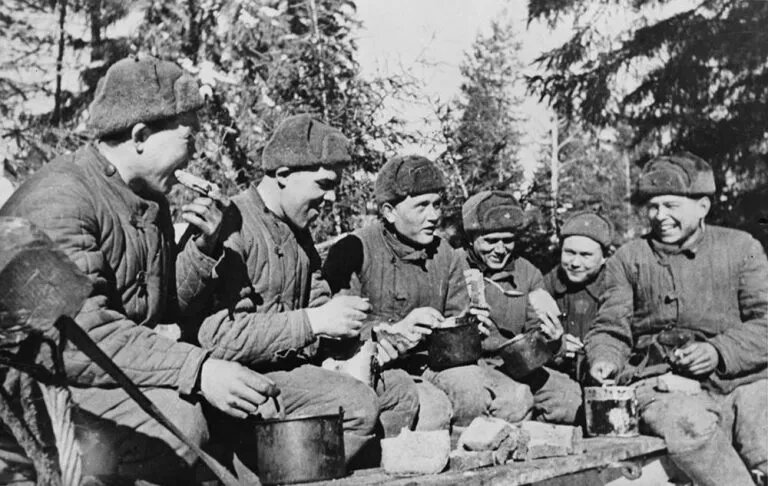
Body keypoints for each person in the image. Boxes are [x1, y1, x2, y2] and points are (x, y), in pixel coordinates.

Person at [0, 57, 278, 484]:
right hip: (31, 388)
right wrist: (199, 370)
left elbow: (163, 308)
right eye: (189, 137)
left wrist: (202, 248)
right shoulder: (62, 198)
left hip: (95, 372)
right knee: (182, 421)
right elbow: (78, 335)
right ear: (141, 136)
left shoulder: (150, 202)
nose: (196, 152)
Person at [178, 114, 417, 464]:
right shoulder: (228, 227)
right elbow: (220, 339)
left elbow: (320, 304)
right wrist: (314, 323)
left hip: (293, 373)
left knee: (400, 392)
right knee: (357, 405)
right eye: (323, 184)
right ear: (283, 175)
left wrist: (367, 338)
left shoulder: (299, 235)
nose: (331, 197)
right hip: (242, 383)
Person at [586, 152, 768, 486]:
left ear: (702, 207)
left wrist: (718, 352)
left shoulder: (742, 248)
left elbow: (765, 322)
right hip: (660, 385)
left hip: (740, 381)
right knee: (688, 423)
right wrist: (604, 358)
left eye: (671, 205)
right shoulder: (629, 258)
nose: (660, 216)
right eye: (653, 206)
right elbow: (611, 327)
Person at [323, 156, 526, 429]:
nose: (434, 216)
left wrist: (469, 329)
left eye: (437, 204)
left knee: (492, 396)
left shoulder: (444, 254)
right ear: (389, 212)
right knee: (432, 412)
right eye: (421, 206)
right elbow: (336, 331)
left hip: (432, 363)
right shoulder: (354, 250)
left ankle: (467, 446)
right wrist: (390, 331)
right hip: (377, 367)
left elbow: (456, 320)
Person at [459, 191, 581, 424]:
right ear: (471, 238)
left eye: (508, 240)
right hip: (469, 368)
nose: (500, 249)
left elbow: (538, 327)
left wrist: (554, 340)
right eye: (490, 241)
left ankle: (535, 437)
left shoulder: (526, 273)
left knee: (570, 398)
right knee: (515, 399)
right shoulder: (453, 266)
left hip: (515, 365)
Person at [543, 211, 612, 381]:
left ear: (605, 257)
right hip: (556, 378)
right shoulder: (545, 285)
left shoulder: (616, 288)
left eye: (586, 255)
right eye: (569, 253)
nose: (575, 263)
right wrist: (555, 346)